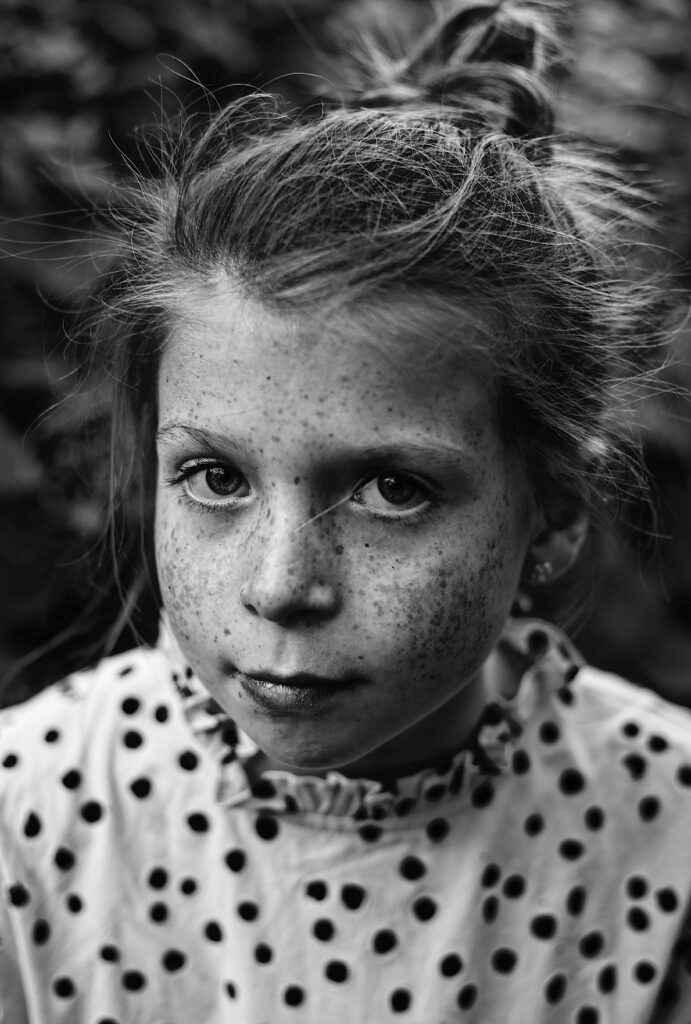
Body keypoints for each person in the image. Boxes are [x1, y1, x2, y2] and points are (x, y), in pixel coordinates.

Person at [1, 1, 690, 1021]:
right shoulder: (28, 815)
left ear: (551, 508)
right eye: (217, 479)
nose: (281, 587)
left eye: (392, 490)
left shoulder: (668, 839)